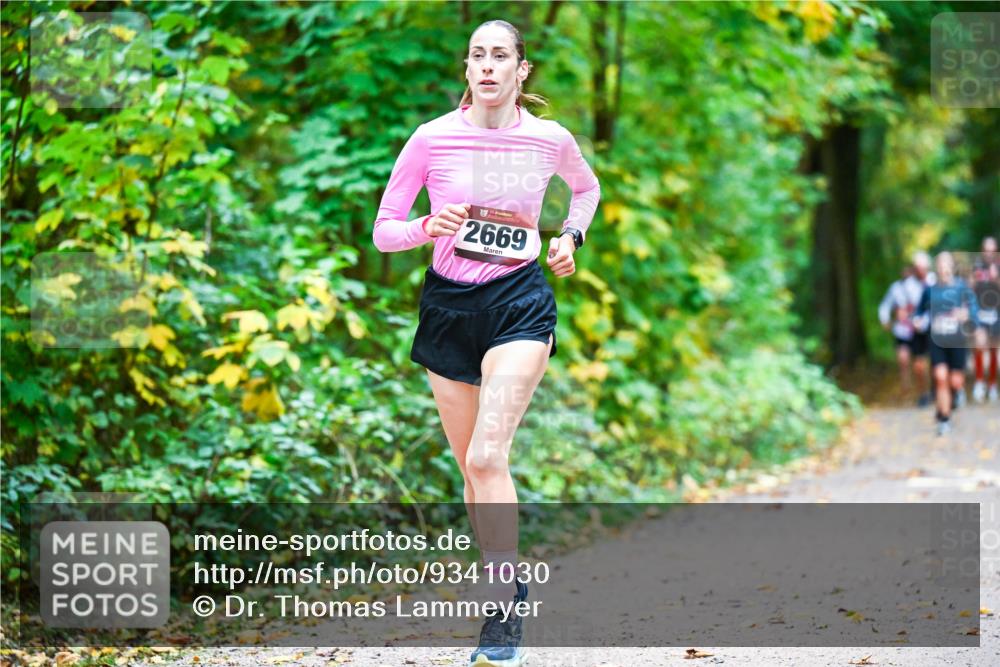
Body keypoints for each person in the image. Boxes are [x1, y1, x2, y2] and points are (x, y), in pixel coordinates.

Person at [372, 18, 600, 667]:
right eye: (478, 56)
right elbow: (384, 230)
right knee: (472, 469)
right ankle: (511, 577)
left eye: (501, 55)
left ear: (522, 70)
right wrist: (424, 226)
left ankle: (501, 612)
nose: (489, 66)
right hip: (447, 307)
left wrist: (569, 237)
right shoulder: (431, 139)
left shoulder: (550, 140)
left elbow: (586, 190)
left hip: (518, 304)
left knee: (487, 454)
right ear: (467, 69)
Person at [914, 252, 979, 436]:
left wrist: (966, 315)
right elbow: (919, 312)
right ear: (937, 267)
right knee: (940, 377)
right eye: (940, 263)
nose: (943, 267)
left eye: (947, 263)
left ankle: (954, 396)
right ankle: (944, 419)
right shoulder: (929, 290)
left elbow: (974, 313)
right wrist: (918, 321)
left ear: (952, 266)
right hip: (937, 341)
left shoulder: (962, 289)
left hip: (957, 341)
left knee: (955, 381)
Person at [877, 252, 935, 405]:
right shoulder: (903, 286)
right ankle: (911, 388)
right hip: (906, 331)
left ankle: (928, 391)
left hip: (926, 330)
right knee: (908, 360)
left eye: (922, 268)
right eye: (916, 268)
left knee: (927, 364)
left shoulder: (933, 283)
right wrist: (889, 319)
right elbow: (888, 305)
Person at [971, 236, 999, 403]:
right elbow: (969, 288)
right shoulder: (976, 266)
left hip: (996, 312)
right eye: (986, 250)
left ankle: (992, 384)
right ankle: (979, 381)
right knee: (979, 345)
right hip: (980, 312)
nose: (989, 253)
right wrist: (973, 280)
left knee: (994, 349)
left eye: (992, 250)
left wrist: (995, 278)